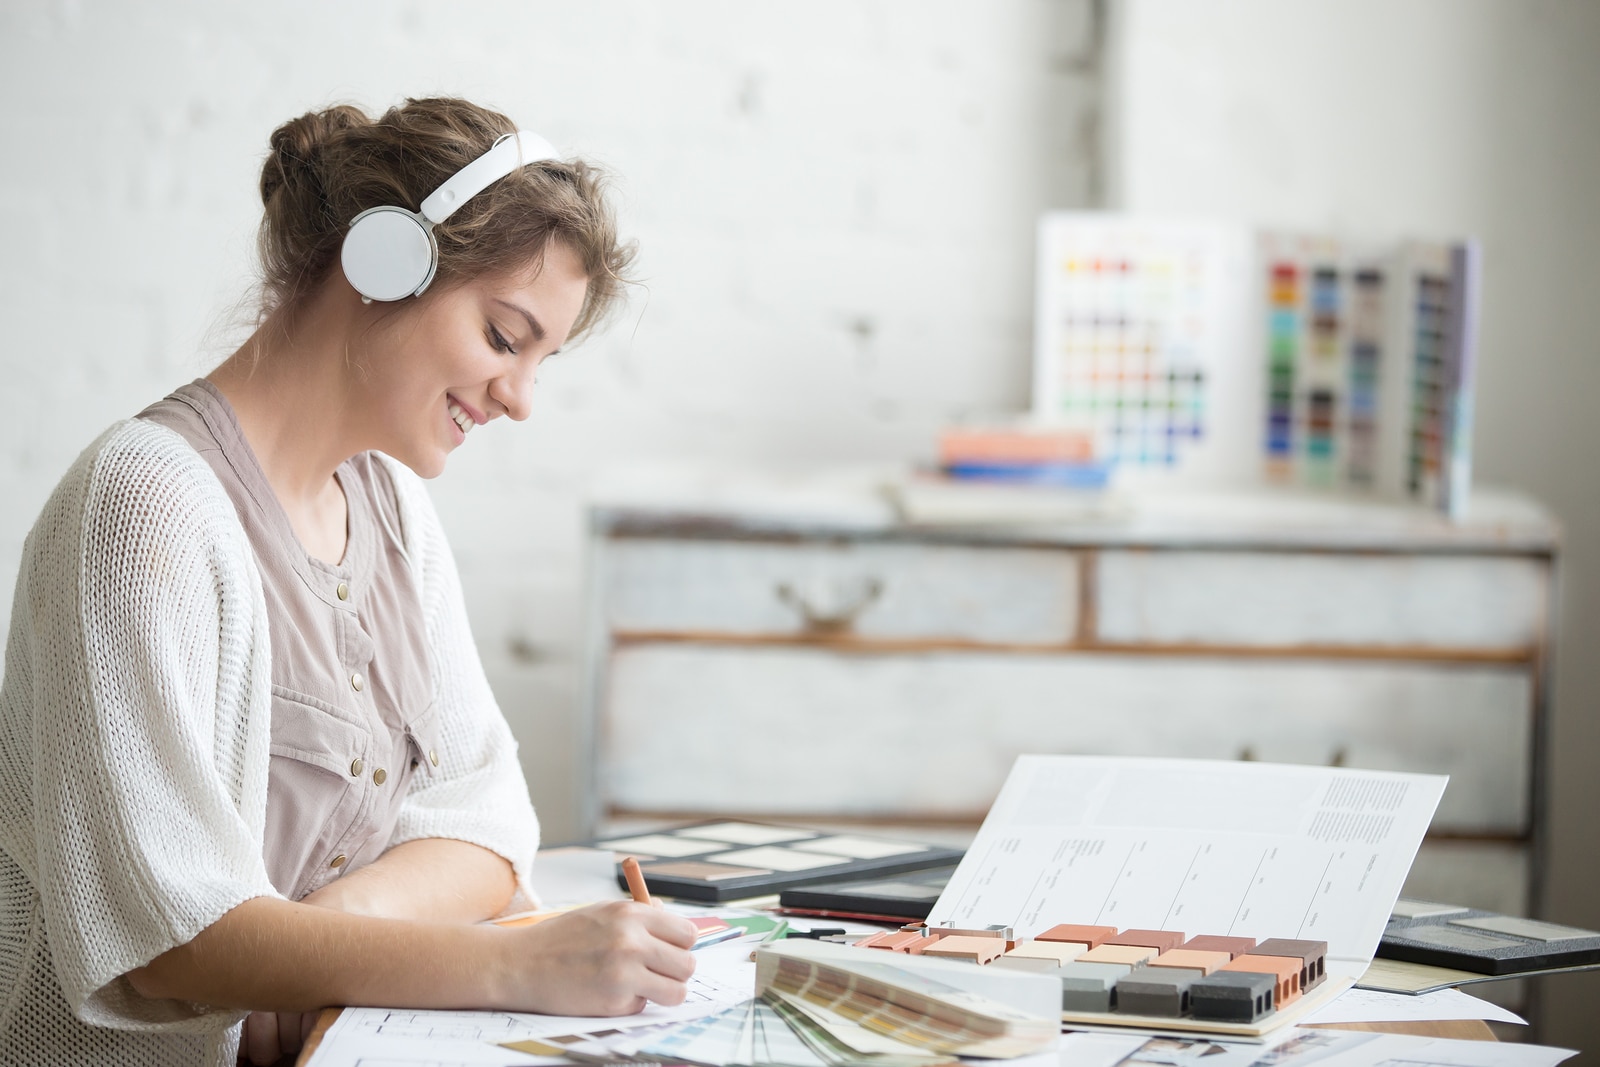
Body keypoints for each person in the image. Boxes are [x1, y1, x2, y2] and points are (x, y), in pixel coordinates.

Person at [0, 97, 697, 1067]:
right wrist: (515, 964)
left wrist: (321, 942)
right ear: (384, 263)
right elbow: (174, 943)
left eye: (543, 360)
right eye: (504, 336)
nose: (521, 399)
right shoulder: (140, 511)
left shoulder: (391, 507)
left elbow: (491, 824)